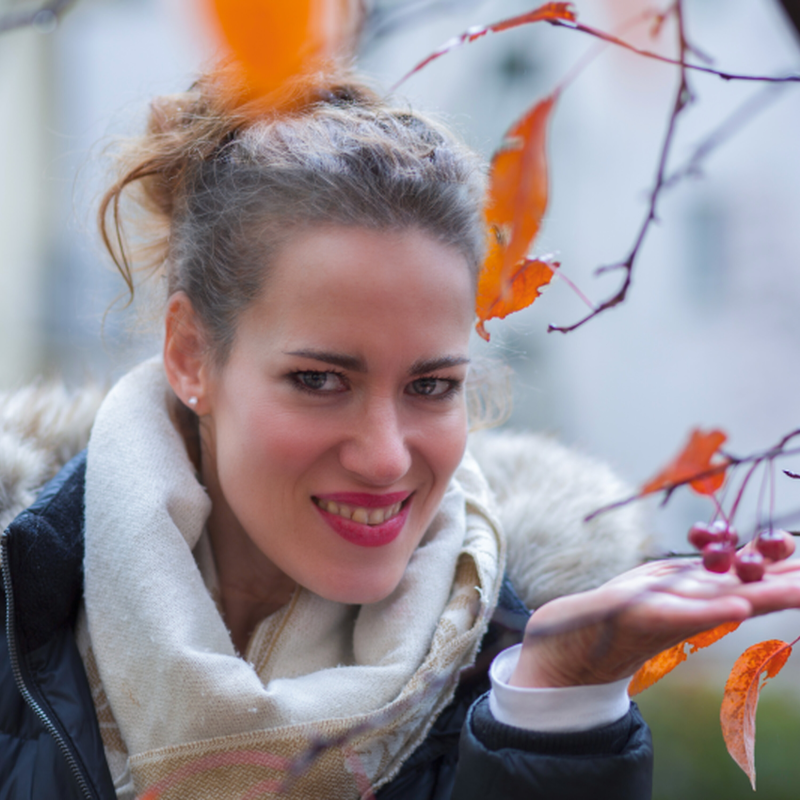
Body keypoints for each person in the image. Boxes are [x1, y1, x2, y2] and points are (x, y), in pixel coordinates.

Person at [1, 64, 799, 800]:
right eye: (319, 380)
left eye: (432, 385)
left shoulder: (514, 668)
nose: (386, 456)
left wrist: (555, 712)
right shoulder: (20, 594)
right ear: (190, 356)